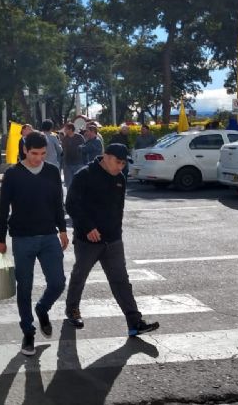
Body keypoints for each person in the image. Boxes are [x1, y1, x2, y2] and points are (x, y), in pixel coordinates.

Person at [64, 143, 160, 337]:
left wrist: (117, 232)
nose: (121, 167)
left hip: (113, 240)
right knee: (80, 276)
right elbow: (71, 205)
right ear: (106, 157)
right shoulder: (85, 175)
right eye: (118, 162)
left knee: (121, 281)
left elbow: (119, 209)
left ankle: (135, 322)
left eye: (124, 163)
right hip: (87, 240)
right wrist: (87, 227)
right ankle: (72, 309)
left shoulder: (120, 179)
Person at [0, 131, 69, 356]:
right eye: (34, 153)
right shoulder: (13, 174)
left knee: (57, 283)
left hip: (49, 236)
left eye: (43, 154)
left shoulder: (52, 171)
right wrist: (0, 239)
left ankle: (42, 308)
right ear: (25, 151)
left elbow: (58, 203)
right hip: (22, 238)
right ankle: (28, 332)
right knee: (24, 288)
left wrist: (63, 230)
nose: (39, 158)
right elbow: (2, 208)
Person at [61, 122, 86, 189]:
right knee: (69, 184)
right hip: (67, 164)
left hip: (78, 163)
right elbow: (63, 150)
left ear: (71, 129)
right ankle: (70, 198)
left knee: (79, 183)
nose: (64, 130)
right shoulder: (64, 138)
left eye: (66, 129)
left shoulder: (80, 137)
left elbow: (84, 148)